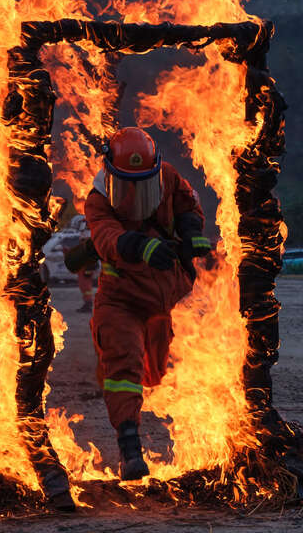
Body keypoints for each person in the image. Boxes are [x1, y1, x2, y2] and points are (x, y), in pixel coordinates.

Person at [84, 126, 211, 481]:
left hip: (164, 299)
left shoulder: (168, 177)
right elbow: (106, 237)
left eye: (143, 182)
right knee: (123, 368)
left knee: (157, 373)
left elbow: (189, 205)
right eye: (127, 183)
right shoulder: (98, 199)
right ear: (111, 175)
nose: (135, 192)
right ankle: (129, 450)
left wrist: (192, 234)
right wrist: (140, 247)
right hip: (121, 300)